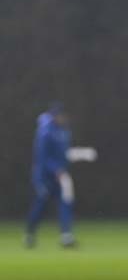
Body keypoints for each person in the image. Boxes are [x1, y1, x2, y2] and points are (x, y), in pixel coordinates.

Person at [25, 102, 97, 248]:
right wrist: (55, 169)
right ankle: (29, 234)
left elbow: (64, 155)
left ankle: (66, 235)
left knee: (66, 203)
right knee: (40, 206)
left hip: (61, 176)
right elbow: (42, 157)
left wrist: (82, 154)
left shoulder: (64, 131)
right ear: (55, 116)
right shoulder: (45, 132)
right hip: (44, 177)